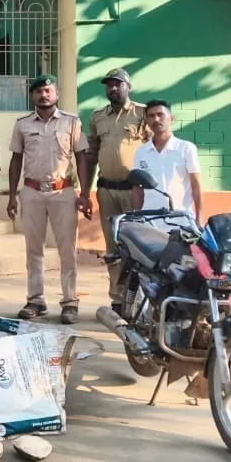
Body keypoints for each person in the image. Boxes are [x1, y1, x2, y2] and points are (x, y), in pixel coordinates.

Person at [6, 74, 91, 324]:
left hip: (62, 191)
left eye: (48, 91)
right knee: (34, 249)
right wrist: (12, 195)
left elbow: (82, 157)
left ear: (56, 94)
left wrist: (85, 193)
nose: (43, 95)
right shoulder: (22, 124)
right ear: (32, 96)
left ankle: (69, 302)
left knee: (67, 249)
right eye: (39, 91)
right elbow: (15, 160)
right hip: (31, 192)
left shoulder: (71, 123)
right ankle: (35, 300)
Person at [83, 68, 149, 315]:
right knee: (113, 248)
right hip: (107, 190)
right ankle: (119, 299)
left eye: (118, 84)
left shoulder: (142, 114)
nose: (113, 89)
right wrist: (85, 193)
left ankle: (140, 298)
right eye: (109, 85)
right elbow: (90, 157)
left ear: (128, 87)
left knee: (137, 246)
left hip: (135, 192)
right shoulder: (98, 117)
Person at [131, 99, 203, 223]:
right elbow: (138, 189)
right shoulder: (141, 152)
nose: (156, 119)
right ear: (147, 121)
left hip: (180, 219)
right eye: (151, 116)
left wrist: (199, 219)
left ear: (172, 119)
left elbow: (196, 186)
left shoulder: (186, 148)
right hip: (150, 220)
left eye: (160, 115)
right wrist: (137, 217)